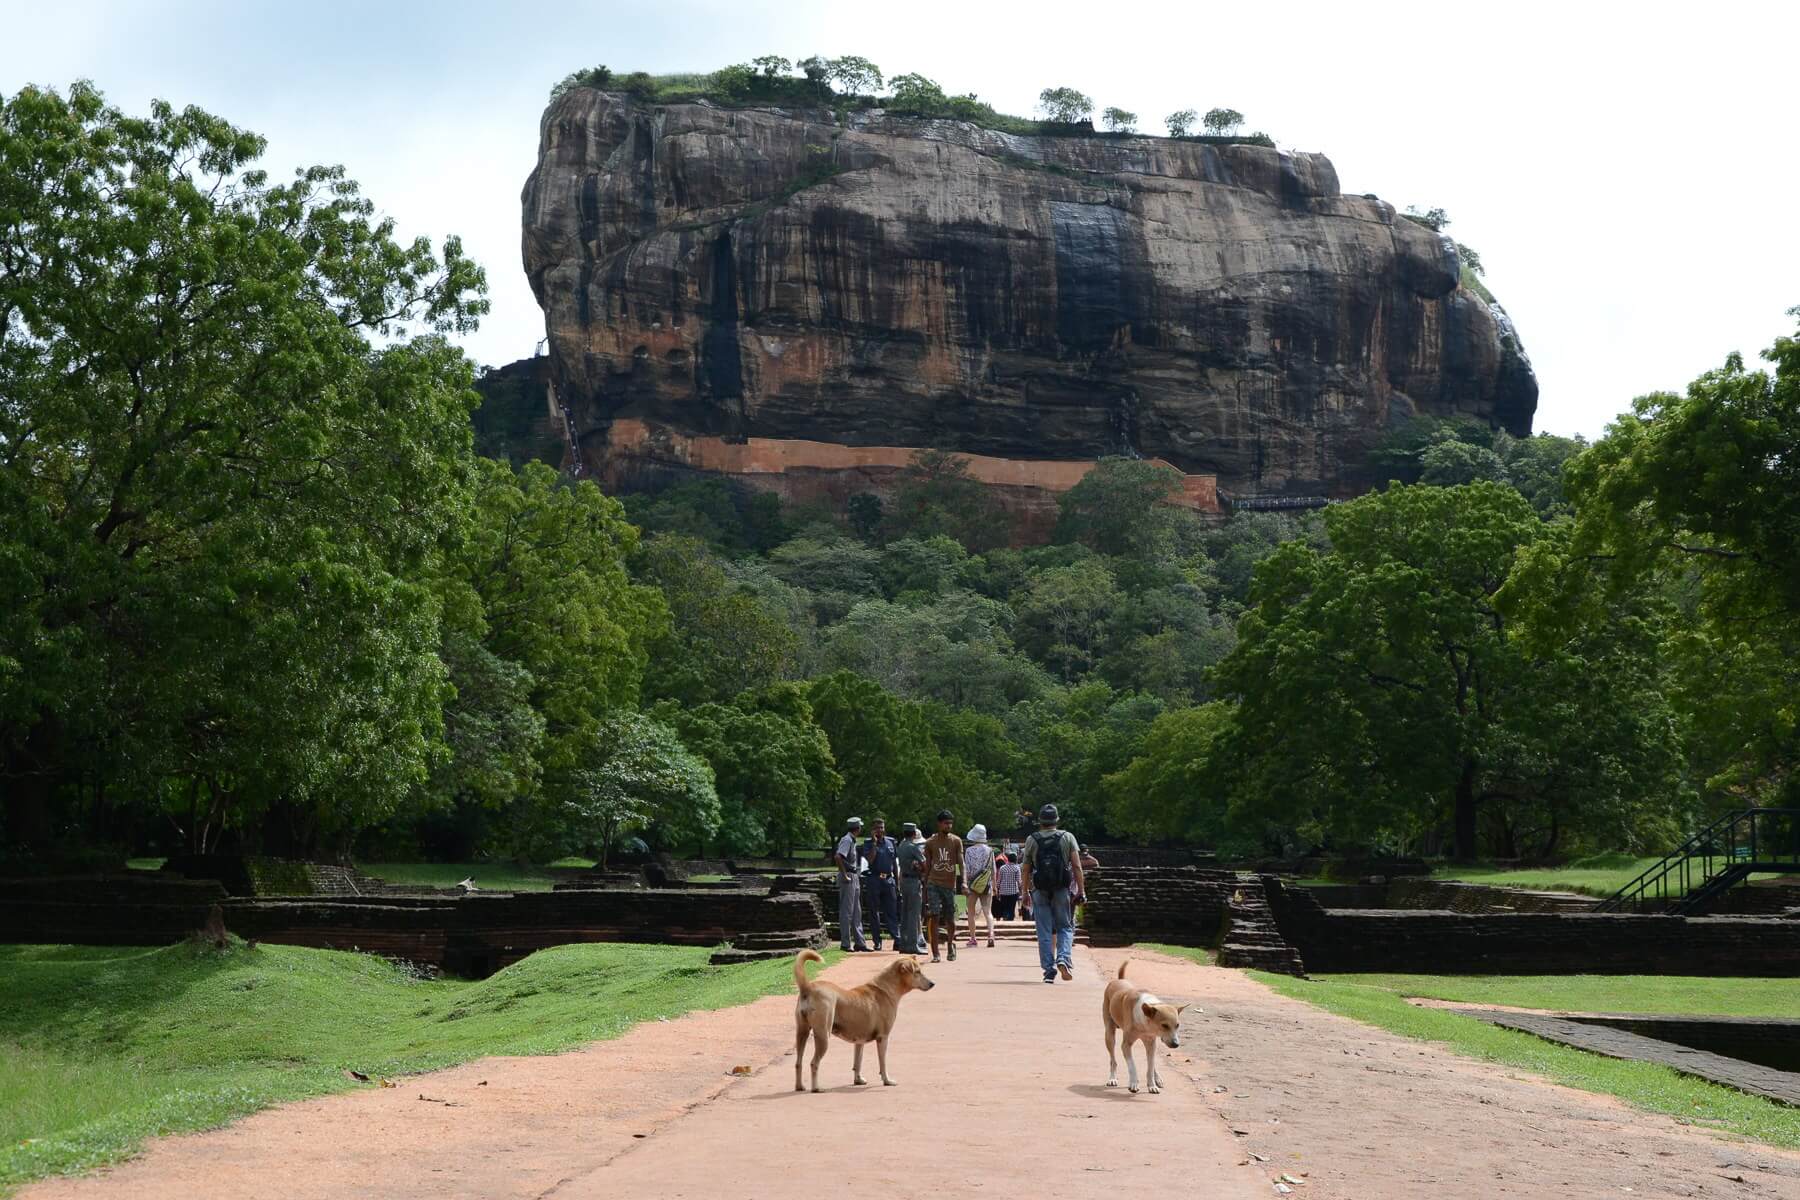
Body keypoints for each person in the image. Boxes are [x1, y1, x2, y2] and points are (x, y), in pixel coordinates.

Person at [1020, 803, 1084, 983]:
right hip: (1061, 888)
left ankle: (1049, 970)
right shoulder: (1067, 837)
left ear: (1040, 821)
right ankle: (1063, 958)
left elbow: (1025, 869)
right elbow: (1077, 866)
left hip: (1039, 889)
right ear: (1057, 820)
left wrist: (1024, 891)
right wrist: (1081, 890)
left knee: (1044, 930)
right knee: (1065, 926)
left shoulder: (1032, 839)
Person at [922, 809, 963, 962]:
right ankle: (935, 952)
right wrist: (925, 886)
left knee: (950, 918)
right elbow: (927, 865)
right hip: (934, 882)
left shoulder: (956, 841)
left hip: (949, 884)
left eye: (951, 823)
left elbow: (961, 863)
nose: (949, 826)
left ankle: (951, 944)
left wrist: (963, 882)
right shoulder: (930, 843)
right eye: (946, 823)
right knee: (934, 915)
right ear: (939, 824)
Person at [861, 818, 900, 951]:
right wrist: (874, 844)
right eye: (877, 828)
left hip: (888, 880)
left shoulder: (890, 842)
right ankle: (877, 941)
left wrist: (897, 882)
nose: (880, 830)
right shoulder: (868, 843)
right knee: (874, 912)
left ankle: (897, 938)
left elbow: (894, 862)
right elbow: (870, 860)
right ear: (872, 830)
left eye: (882, 827)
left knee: (892, 912)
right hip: (874, 879)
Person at [834, 817, 871, 952]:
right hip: (848, 876)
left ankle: (860, 942)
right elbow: (838, 857)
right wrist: (844, 874)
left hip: (854, 875)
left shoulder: (852, 840)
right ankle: (845, 943)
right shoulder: (847, 840)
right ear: (857, 828)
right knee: (847, 911)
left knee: (857, 911)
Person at [962, 824, 996, 948]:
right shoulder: (990, 850)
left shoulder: (969, 851)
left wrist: (965, 883)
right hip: (986, 884)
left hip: (972, 884)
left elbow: (967, 869)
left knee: (971, 912)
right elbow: (993, 869)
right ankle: (991, 935)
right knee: (988, 912)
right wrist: (995, 885)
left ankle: (973, 938)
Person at [896, 822, 925, 954]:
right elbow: (924, 863)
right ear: (913, 834)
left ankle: (904, 943)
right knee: (914, 913)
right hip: (913, 880)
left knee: (905, 913)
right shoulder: (913, 847)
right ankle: (913, 944)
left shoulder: (901, 846)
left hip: (904, 881)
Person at [993, 852, 1022, 922]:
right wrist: (1021, 891)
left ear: (1008, 859)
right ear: (1015, 860)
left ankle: (1005, 919)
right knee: (1011, 908)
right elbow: (1018, 881)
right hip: (1013, 892)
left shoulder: (1002, 868)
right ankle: (1010, 921)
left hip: (1003, 892)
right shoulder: (1017, 868)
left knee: (1005, 908)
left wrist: (997, 889)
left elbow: (999, 880)